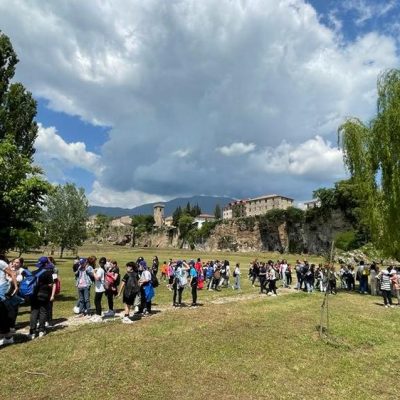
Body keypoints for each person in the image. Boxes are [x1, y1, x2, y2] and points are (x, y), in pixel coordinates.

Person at [29, 257, 56, 339]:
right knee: (43, 312)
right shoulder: (48, 273)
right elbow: (51, 284)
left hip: (33, 295)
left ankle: (32, 332)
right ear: (46, 264)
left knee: (34, 312)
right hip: (44, 294)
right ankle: (41, 330)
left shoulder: (33, 272)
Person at [0, 258, 18, 346]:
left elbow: (12, 273)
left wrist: (15, 286)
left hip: (1, 289)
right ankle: (7, 336)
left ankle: (8, 335)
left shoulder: (1, 263)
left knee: (4, 311)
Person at [91, 256, 105, 322]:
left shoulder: (100, 270)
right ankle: (97, 314)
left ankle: (99, 315)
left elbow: (97, 278)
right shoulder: (101, 269)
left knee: (97, 302)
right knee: (96, 301)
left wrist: (94, 272)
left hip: (100, 288)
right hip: (99, 288)